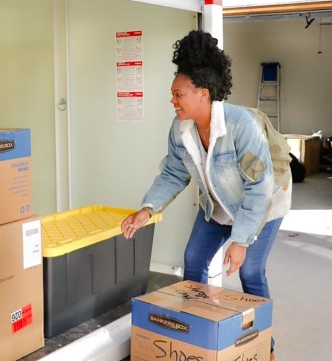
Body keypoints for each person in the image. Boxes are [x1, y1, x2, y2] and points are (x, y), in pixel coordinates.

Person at [121, 29, 292, 361]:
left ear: (203, 93)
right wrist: (147, 208)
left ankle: (263, 348)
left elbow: (259, 186)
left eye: (178, 94)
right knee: (194, 261)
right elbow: (173, 172)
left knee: (250, 272)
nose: (173, 100)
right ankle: (196, 335)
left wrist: (241, 240)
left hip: (264, 203)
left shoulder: (241, 125)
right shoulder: (180, 129)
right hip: (217, 206)